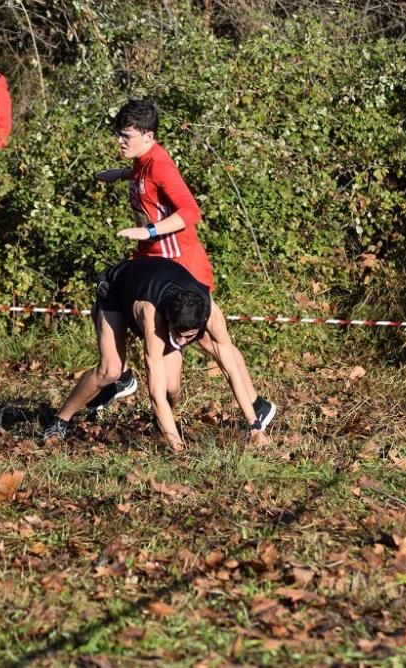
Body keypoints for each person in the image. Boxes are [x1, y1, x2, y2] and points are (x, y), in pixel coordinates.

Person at [42, 257, 276, 449]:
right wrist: (177, 446)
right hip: (117, 290)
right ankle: (61, 419)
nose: (183, 341)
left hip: (155, 281)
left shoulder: (212, 314)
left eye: (189, 336)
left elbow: (231, 370)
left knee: (172, 387)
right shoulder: (153, 319)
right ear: (169, 322)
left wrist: (255, 426)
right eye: (178, 335)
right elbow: (154, 393)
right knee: (110, 370)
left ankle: (162, 425)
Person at [88, 99, 223, 410]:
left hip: (176, 268)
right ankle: (120, 376)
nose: (120, 141)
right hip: (149, 263)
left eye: (127, 136)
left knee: (200, 353)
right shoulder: (142, 161)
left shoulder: (159, 164)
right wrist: (122, 174)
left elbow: (190, 211)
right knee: (105, 303)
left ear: (148, 137)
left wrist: (147, 231)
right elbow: (146, 180)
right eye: (119, 135)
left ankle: (254, 408)